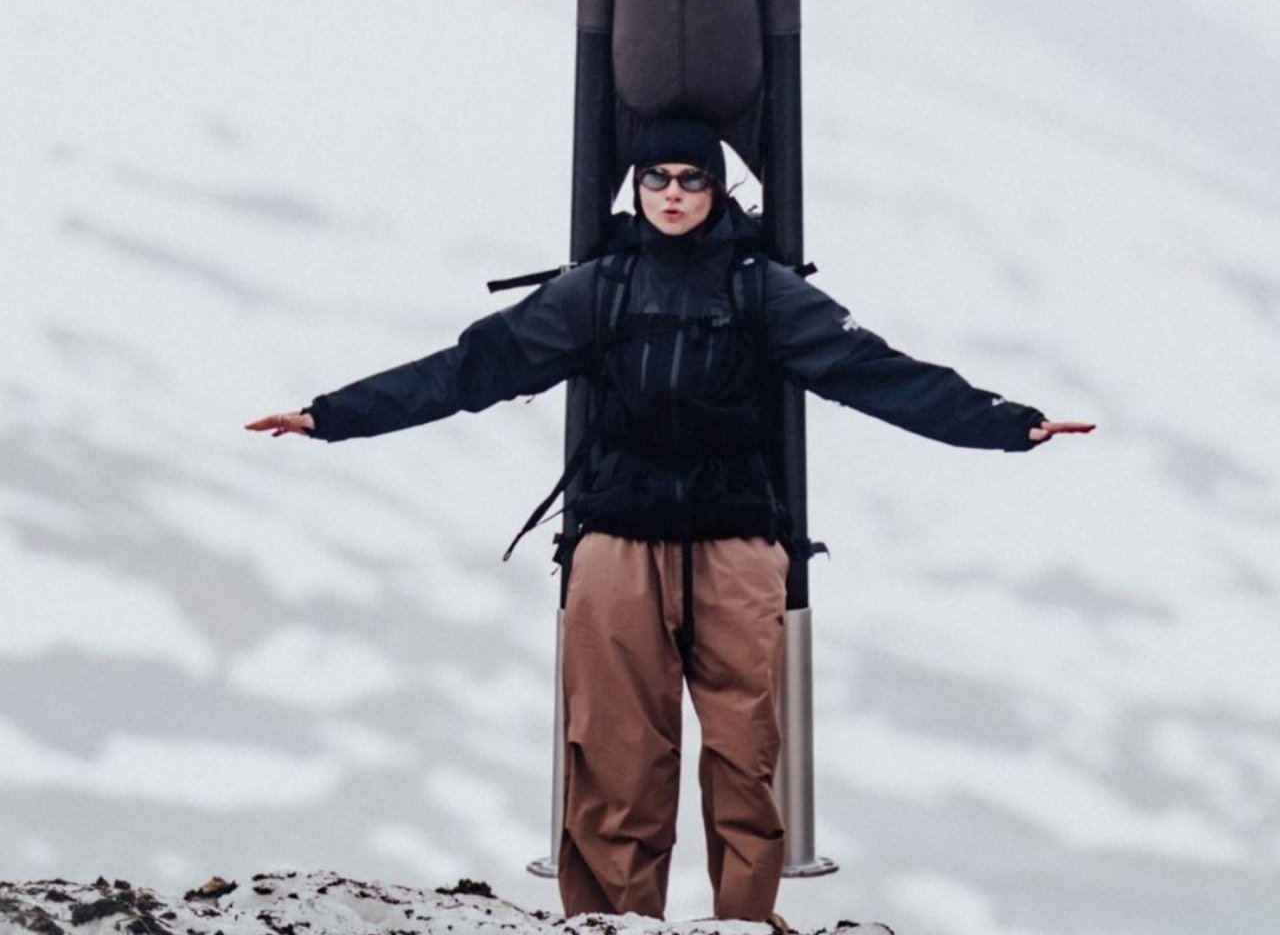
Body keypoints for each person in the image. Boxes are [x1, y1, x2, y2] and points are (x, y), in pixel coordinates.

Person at [247, 116, 1093, 923]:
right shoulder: (599, 290)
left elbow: (877, 373)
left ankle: (740, 924)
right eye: (657, 178)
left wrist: (1007, 424)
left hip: (736, 545)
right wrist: (331, 416)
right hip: (616, 542)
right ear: (637, 188)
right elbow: (470, 368)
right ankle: (615, 926)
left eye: (693, 179)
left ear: (719, 190)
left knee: (744, 754)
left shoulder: (763, 291)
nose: (675, 193)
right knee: (615, 752)